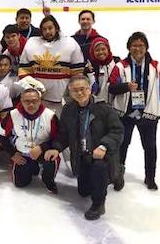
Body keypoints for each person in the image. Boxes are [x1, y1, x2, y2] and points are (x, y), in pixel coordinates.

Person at [45, 75, 123, 220]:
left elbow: (117, 131)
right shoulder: (68, 109)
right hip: (82, 155)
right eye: (75, 90)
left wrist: (103, 146)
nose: (79, 93)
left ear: (89, 89)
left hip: (100, 155)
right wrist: (56, 148)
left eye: (82, 89)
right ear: (70, 92)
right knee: (83, 191)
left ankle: (99, 204)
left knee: (99, 170)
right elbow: (63, 134)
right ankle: (111, 175)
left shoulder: (104, 108)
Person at [109, 32, 160, 191]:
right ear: (129, 48)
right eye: (134, 45)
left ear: (146, 47)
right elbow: (112, 88)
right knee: (122, 146)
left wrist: (159, 107)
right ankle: (118, 176)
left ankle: (150, 177)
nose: (137, 48)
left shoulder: (156, 67)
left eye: (141, 45)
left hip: (148, 115)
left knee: (150, 147)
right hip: (125, 115)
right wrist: (126, 87)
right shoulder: (120, 67)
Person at [0, 82, 59, 193]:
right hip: (22, 153)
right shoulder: (12, 115)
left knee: (51, 159)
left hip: (43, 152)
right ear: (21, 101)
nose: (31, 105)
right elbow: (1, 136)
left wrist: (42, 147)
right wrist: (13, 154)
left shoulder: (50, 116)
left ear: (40, 101)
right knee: (19, 184)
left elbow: (58, 139)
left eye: (34, 101)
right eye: (27, 101)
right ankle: (32, 168)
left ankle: (48, 179)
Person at [18, 15, 84, 116]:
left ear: (56, 28)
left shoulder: (70, 43)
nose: (47, 32)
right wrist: (35, 86)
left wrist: (71, 95)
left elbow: (78, 74)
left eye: (50, 28)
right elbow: (23, 71)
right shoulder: (31, 44)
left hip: (63, 101)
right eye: (44, 29)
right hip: (39, 100)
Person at [88, 37, 120, 103]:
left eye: (103, 49)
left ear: (108, 49)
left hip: (116, 104)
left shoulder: (117, 63)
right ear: (92, 52)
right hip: (98, 105)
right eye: (97, 50)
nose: (100, 52)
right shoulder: (90, 67)